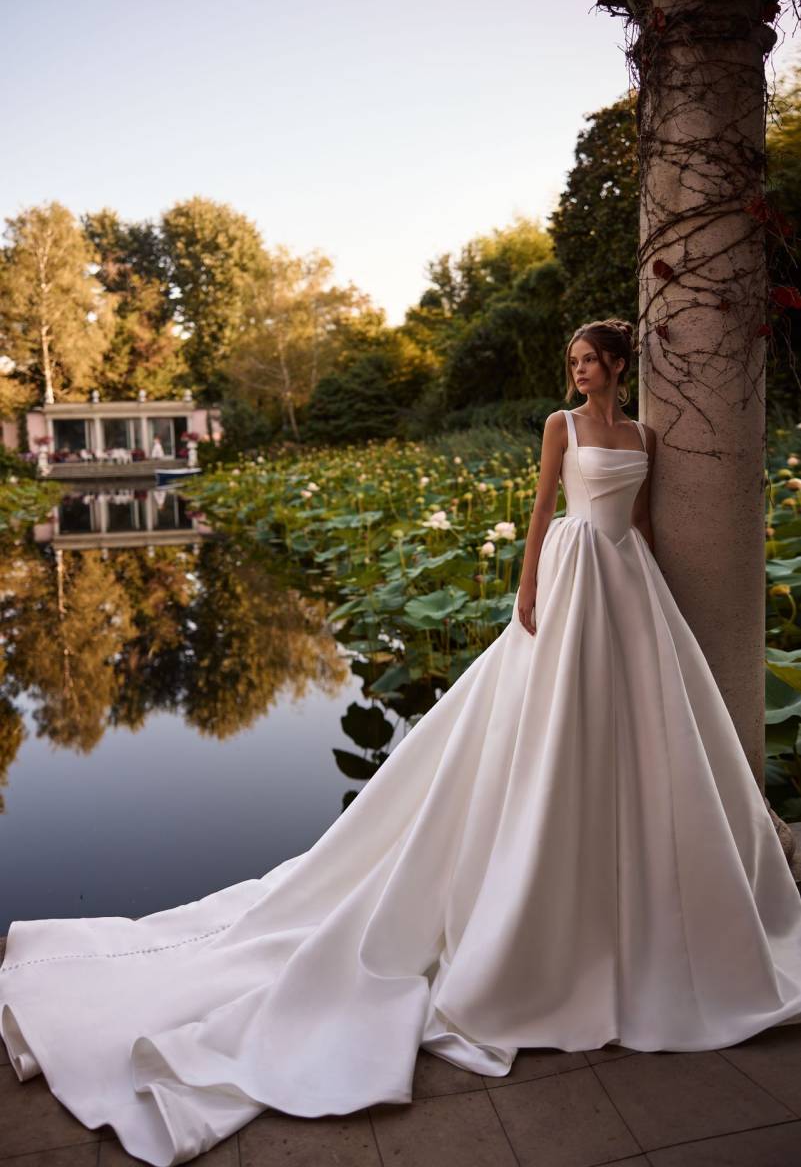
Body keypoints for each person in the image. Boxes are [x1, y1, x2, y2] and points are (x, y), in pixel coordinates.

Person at [2, 318, 801, 1167]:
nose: (575, 372)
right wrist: (524, 591)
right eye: (568, 359)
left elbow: (637, 520)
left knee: (643, 735)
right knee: (551, 729)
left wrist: (651, 598)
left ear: (614, 366)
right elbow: (540, 513)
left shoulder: (643, 433)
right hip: (568, 574)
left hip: (627, 584)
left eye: (586, 360)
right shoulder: (558, 428)